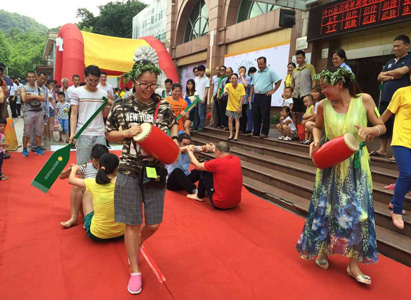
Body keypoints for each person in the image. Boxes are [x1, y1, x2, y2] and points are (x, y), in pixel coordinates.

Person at [296, 67, 386, 285]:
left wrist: (371, 131)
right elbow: (317, 128)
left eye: (325, 86)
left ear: (341, 83)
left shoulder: (363, 100)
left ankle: (353, 265)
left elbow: (381, 126)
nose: (321, 90)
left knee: (359, 213)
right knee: (326, 208)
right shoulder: (322, 105)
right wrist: (316, 140)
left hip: (357, 166)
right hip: (331, 162)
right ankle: (323, 251)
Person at [105, 58, 177, 294]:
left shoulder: (164, 106)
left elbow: (174, 125)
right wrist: (126, 132)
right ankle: (135, 269)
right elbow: (109, 135)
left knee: (154, 223)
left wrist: (174, 140)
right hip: (128, 169)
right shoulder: (120, 104)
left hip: (155, 169)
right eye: (144, 84)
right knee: (132, 223)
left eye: (153, 84)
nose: (148, 89)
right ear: (134, 82)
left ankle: (137, 245)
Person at [67, 152, 126, 241]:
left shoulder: (93, 182)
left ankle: (78, 219)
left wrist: (74, 168)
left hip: (97, 234)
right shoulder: (123, 181)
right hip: (122, 233)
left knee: (87, 192)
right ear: (117, 168)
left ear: (98, 166)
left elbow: (71, 180)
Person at [373, 35, 411, 160]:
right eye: (394, 46)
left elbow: (402, 72)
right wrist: (393, 76)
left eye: (398, 46)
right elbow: (379, 77)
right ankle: (382, 149)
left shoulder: (409, 58)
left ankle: (397, 153)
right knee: (385, 123)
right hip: (386, 97)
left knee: (397, 125)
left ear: (407, 45)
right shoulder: (390, 62)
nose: (395, 48)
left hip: (401, 100)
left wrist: (388, 74)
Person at [381, 84, 411, 229]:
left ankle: (394, 201)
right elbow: (387, 113)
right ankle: (396, 210)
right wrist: (374, 128)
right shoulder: (402, 92)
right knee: (406, 173)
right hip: (402, 140)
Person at [69, 65, 112, 165]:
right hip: (83, 133)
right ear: (85, 77)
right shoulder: (77, 92)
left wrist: (107, 107)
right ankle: (83, 181)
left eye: (96, 81)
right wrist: (72, 134)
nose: (93, 83)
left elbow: (104, 115)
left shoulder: (103, 93)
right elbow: (74, 113)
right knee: (83, 165)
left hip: (99, 133)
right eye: (90, 80)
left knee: (101, 164)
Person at [60, 144, 109, 228]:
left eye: (100, 161)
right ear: (91, 159)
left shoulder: (111, 168)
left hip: (104, 204)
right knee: (77, 187)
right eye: (95, 161)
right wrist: (71, 169)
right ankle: (74, 218)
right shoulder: (86, 167)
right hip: (89, 204)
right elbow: (61, 176)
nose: (98, 164)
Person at [186, 141, 242, 209]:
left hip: (220, 203)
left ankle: (199, 196)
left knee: (204, 172)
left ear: (217, 152)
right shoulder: (237, 159)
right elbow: (223, 152)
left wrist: (189, 152)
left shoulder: (217, 163)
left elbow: (198, 166)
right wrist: (214, 149)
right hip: (235, 202)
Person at [249, 57, 282, 138]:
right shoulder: (256, 73)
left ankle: (264, 132)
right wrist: (250, 95)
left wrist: (273, 91)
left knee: (265, 115)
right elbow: (253, 85)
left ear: (265, 63)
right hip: (256, 96)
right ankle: (256, 131)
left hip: (265, 96)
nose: (260, 66)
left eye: (261, 64)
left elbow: (278, 81)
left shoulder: (270, 72)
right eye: (258, 64)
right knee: (256, 115)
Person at [21, 71, 46, 156]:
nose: (31, 78)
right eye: (29, 77)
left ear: (35, 77)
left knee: (39, 131)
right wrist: (36, 97)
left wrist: (32, 96)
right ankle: (24, 149)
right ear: (27, 78)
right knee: (27, 132)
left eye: (32, 77)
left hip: (39, 111)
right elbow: (24, 99)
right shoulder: (23, 88)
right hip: (28, 111)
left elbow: (43, 98)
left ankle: (38, 148)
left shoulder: (39, 89)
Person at [291, 50, 316, 125]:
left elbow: (314, 79)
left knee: (305, 113)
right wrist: (292, 91)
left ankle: (304, 132)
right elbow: (292, 81)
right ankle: (298, 132)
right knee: (297, 114)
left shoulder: (310, 67)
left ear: (304, 57)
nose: (298, 60)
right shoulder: (294, 70)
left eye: (300, 58)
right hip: (296, 95)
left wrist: (312, 91)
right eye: (297, 58)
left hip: (306, 95)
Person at [223, 73, 245, 141]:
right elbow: (225, 90)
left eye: (235, 78)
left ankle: (236, 135)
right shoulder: (228, 85)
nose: (233, 80)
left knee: (237, 120)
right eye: (232, 78)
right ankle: (231, 134)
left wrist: (240, 106)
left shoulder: (241, 86)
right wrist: (225, 92)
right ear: (230, 79)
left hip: (237, 106)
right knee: (230, 119)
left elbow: (242, 97)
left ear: (237, 79)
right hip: (230, 105)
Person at [192, 65, 210, 132]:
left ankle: (200, 127)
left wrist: (204, 98)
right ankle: (195, 126)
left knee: (201, 114)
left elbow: (207, 89)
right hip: (195, 98)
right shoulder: (195, 79)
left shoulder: (206, 79)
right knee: (195, 113)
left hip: (201, 98)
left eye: (203, 71)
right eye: (200, 71)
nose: (201, 72)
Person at [238, 66, 251, 134]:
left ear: (245, 72)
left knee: (243, 115)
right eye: (240, 71)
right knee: (237, 115)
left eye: (242, 71)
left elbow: (245, 85)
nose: (241, 72)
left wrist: (242, 77)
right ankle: (238, 128)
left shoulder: (247, 78)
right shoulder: (237, 79)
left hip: (244, 100)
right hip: (237, 100)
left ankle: (243, 129)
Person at [246, 67, 257, 134]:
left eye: (253, 72)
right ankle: (249, 128)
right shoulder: (248, 80)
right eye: (251, 73)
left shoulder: (257, 80)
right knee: (249, 114)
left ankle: (254, 129)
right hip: (249, 100)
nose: (252, 74)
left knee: (255, 115)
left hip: (256, 99)